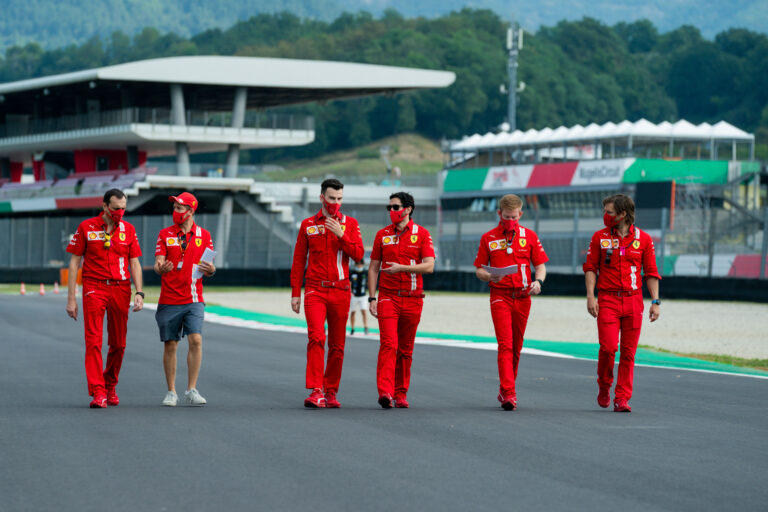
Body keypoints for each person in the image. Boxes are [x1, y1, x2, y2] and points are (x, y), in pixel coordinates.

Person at [65, 188, 144, 408]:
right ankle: (98, 391)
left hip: (120, 288)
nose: (120, 212)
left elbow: (135, 262)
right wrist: (71, 298)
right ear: (105, 206)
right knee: (93, 341)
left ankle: (110, 385)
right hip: (94, 287)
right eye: (116, 208)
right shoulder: (86, 227)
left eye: (123, 208)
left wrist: (139, 292)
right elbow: (74, 263)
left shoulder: (128, 230)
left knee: (118, 344)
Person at [583, 193, 661, 413]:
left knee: (628, 353)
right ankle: (604, 385)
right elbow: (590, 268)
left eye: (609, 212)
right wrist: (591, 296)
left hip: (634, 301)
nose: (605, 216)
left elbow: (651, 272)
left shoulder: (644, 239)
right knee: (608, 348)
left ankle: (622, 398)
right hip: (607, 299)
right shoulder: (599, 237)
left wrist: (655, 301)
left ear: (623, 214)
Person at [290, 179, 364, 408]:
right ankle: (316, 390)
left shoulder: (350, 223)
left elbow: (359, 255)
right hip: (314, 289)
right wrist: (295, 292)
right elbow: (299, 259)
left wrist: (342, 235)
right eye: (332, 198)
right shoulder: (308, 225)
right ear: (322, 197)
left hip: (341, 290)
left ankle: (331, 391)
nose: (336, 203)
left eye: (340, 199)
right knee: (316, 337)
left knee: (338, 345)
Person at [473, 194, 548, 411]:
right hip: (500, 295)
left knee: (516, 346)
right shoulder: (488, 238)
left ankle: (507, 386)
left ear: (521, 214)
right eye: (506, 217)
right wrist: (489, 276)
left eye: (514, 217)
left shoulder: (530, 236)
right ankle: (509, 393)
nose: (510, 220)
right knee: (505, 344)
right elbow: (479, 269)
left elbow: (541, 265)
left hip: (523, 297)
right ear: (499, 214)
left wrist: (538, 282)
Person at [368, 192, 435, 409]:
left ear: (408, 209)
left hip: (413, 298)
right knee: (389, 344)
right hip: (388, 297)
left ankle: (400, 393)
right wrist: (372, 297)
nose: (392, 211)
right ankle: (385, 392)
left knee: (406, 349)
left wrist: (403, 268)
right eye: (389, 208)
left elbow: (429, 266)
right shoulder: (382, 235)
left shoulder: (422, 234)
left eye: (395, 207)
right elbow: (373, 268)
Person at [154, 192, 216, 407]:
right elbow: (157, 263)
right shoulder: (164, 234)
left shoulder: (204, 235)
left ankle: (191, 389)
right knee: (171, 344)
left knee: (196, 339)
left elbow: (209, 266)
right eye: (175, 207)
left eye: (180, 208)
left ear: (191, 211)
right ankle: (171, 391)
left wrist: (211, 269)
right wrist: (161, 267)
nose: (176, 212)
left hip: (194, 298)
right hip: (169, 298)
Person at [349, 259, 369, 335]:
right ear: (355, 265)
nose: (359, 266)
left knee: (364, 311)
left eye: (360, 264)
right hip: (354, 296)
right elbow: (349, 282)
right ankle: (352, 328)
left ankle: (366, 327)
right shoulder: (352, 273)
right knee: (353, 312)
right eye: (358, 264)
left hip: (363, 296)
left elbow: (368, 282)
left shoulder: (365, 273)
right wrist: (350, 292)